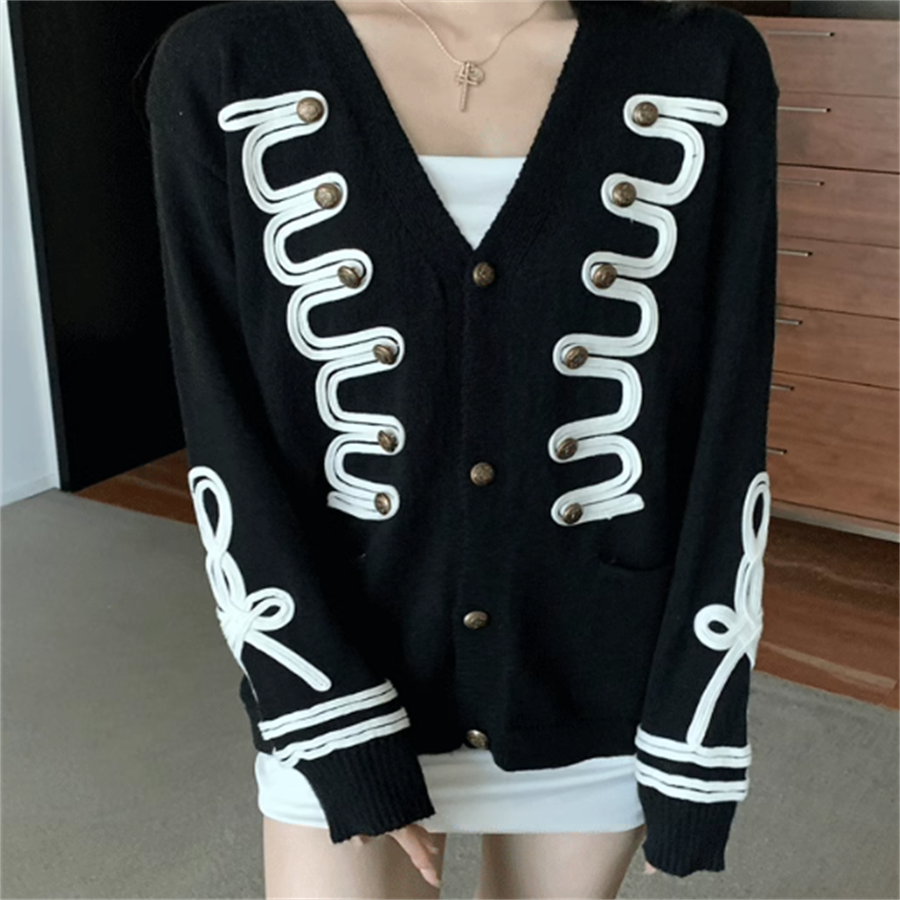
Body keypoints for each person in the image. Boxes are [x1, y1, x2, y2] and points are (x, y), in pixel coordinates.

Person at [143, 0, 780, 894]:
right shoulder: (229, 64)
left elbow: (726, 420)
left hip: (595, 676)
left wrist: (696, 724)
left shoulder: (703, 65)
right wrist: (331, 723)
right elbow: (223, 421)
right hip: (340, 662)